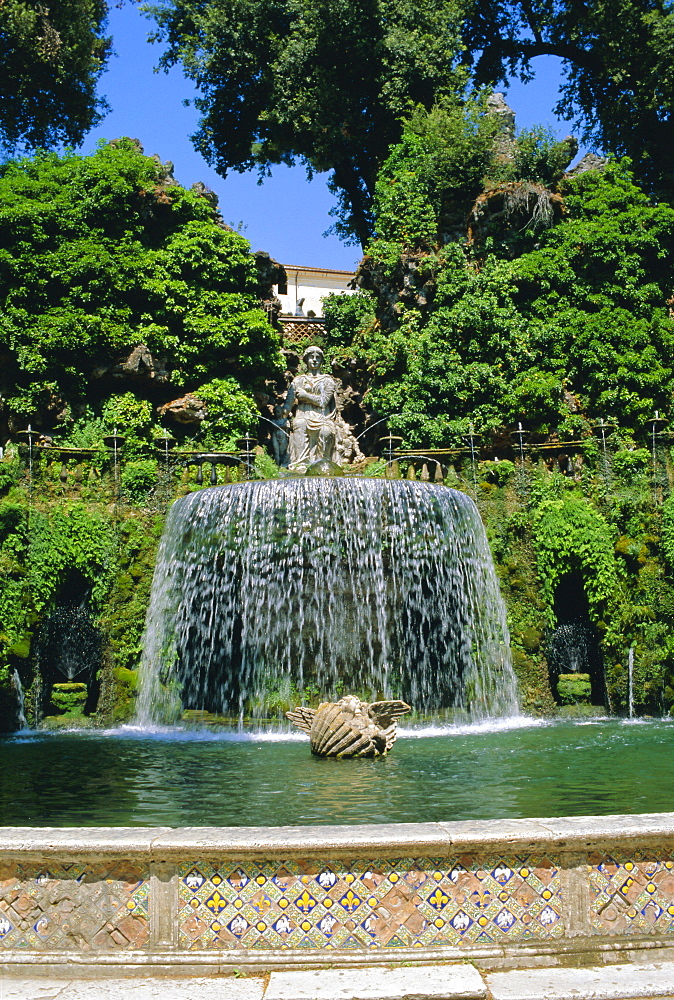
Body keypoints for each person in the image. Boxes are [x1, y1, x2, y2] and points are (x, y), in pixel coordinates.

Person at [283, 346, 338, 470]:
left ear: (321, 360)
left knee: (326, 431)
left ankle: (322, 464)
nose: (314, 360)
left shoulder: (328, 381)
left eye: (317, 357)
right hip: (303, 415)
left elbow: (323, 402)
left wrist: (305, 395)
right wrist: (282, 414)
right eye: (311, 357)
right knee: (299, 423)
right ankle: (301, 463)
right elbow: (288, 404)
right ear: (306, 360)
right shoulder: (298, 381)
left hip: (322, 417)